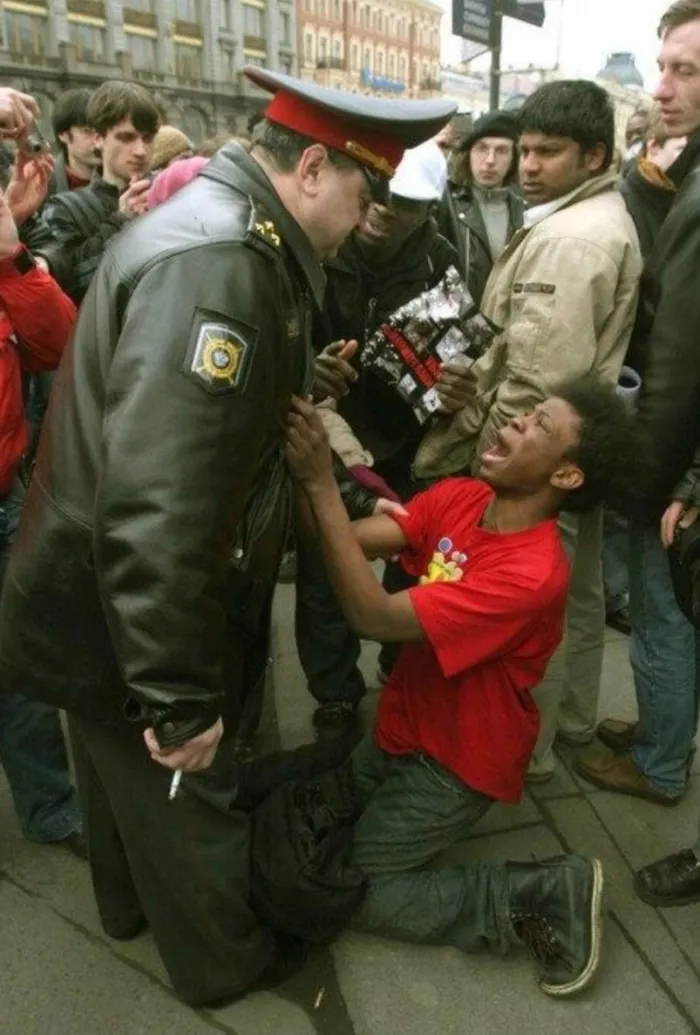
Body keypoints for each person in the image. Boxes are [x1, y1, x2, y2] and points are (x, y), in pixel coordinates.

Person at [0, 66, 456, 1005]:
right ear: (314, 168)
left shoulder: (223, 226)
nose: (366, 219)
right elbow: (158, 505)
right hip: (137, 617)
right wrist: (177, 696)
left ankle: (129, 908)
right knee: (188, 796)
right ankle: (224, 964)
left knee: (118, 784)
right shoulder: (226, 262)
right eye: (366, 193)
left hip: (92, 601)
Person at [285, 377, 642, 998]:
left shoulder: (532, 574)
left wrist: (320, 482)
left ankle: (539, 894)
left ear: (566, 476)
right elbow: (337, 540)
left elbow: (372, 616)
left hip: (456, 764)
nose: (517, 420)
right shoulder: (464, 496)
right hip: (403, 726)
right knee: (315, 817)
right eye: (526, 411)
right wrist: (303, 471)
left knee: (358, 890)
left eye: (539, 425)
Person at [413, 80, 643, 783]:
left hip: (544, 458)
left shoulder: (572, 240)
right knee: (576, 596)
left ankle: (528, 750)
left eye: (550, 152)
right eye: (527, 150)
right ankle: (568, 724)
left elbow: (537, 379)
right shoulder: (588, 216)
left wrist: (493, 457)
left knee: (532, 611)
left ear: (594, 155)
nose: (529, 166)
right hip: (576, 447)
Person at [296, 139, 471, 731]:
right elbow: (286, 330)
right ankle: (334, 691)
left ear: (427, 212)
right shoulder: (324, 238)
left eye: (404, 204)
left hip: (409, 440)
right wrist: (308, 368)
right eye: (376, 196)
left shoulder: (443, 264)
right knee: (326, 564)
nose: (381, 213)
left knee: (413, 560)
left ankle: (400, 666)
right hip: (330, 436)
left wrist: (458, 387)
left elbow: (460, 357)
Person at [578, 0, 700, 810]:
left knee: (660, 615)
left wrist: (653, 482)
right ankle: (663, 731)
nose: (660, 87)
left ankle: (658, 765)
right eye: (661, 67)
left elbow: (680, 363)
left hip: (674, 457)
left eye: (684, 70)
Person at [0, 173, 83, 857]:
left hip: (5, 499)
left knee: (20, 665)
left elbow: (59, 342)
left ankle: (51, 806)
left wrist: (13, 259)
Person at [38, 80, 160, 303]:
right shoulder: (64, 208)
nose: (141, 150)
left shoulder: (170, 195)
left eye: (148, 138)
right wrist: (120, 221)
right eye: (126, 137)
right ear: (98, 139)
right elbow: (70, 285)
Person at [441, 111, 524, 304]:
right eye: (482, 148)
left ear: (514, 158)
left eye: (502, 151)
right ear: (468, 154)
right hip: (457, 315)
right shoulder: (446, 204)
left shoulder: (524, 212)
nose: (490, 160)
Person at [49, 88, 99, 196]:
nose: (98, 141)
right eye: (88, 131)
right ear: (64, 135)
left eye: (102, 131)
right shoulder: (44, 184)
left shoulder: (123, 180)